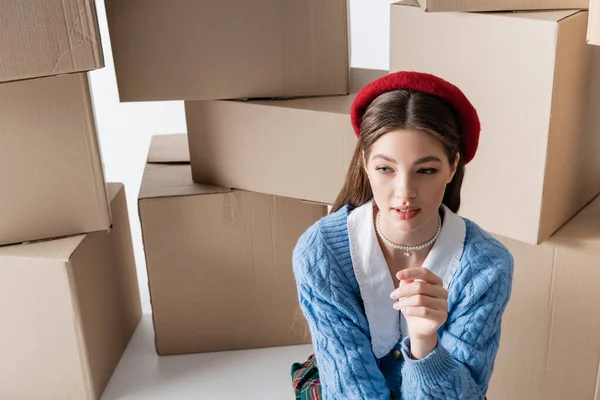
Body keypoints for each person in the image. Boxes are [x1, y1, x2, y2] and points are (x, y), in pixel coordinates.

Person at [290, 71, 514, 400]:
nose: (405, 192)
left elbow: (466, 395)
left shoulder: (487, 266)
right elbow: (350, 389)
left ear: (453, 167)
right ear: (365, 162)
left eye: (426, 170)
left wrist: (425, 344)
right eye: (386, 169)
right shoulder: (320, 252)